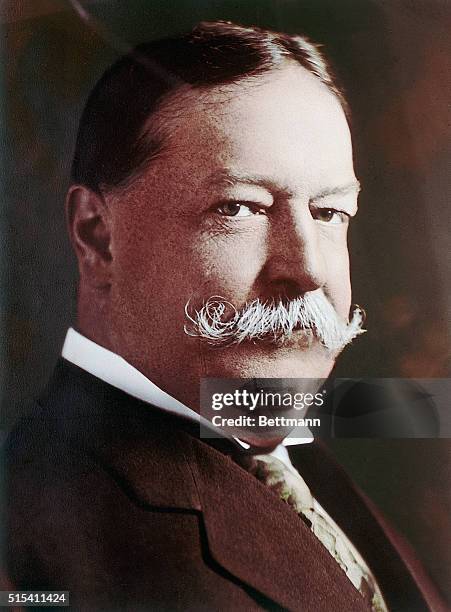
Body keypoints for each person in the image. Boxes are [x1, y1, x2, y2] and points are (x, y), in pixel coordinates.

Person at [3, 21, 445, 611]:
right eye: (240, 208)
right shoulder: (37, 531)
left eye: (329, 211)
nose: (308, 270)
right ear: (97, 235)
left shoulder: (285, 438)